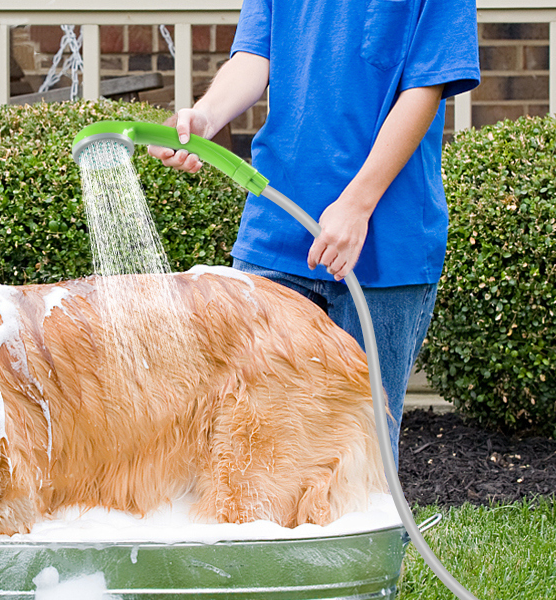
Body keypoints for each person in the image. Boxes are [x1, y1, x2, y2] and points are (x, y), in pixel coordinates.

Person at [150, 0, 480, 456]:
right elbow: (254, 53)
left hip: (384, 244)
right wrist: (206, 117)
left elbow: (426, 87)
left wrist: (357, 204)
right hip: (275, 231)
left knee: (360, 454)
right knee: (250, 442)